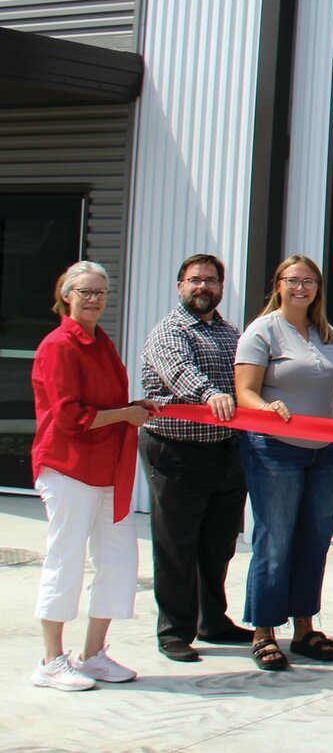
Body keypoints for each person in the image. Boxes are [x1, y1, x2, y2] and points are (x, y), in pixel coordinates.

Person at [30, 260, 157, 691]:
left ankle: (94, 654)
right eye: (85, 291)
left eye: (101, 291)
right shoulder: (59, 345)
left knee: (118, 561)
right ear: (66, 294)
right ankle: (50, 660)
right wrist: (126, 414)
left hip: (107, 469)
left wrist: (130, 410)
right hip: (68, 468)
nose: (94, 299)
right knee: (65, 559)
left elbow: (108, 407)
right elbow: (70, 417)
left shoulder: (100, 341)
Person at [234, 255, 333, 671]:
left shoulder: (327, 333)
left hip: (323, 454)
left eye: (310, 281)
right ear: (278, 285)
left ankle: (304, 627)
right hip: (275, 449)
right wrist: (266, 407)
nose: (302, 288)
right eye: (293, 280)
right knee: (275, 541)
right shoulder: (262, 331)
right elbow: (243, 391)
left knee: (315, 541)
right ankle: (264, 630)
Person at [139, 253, 250, 663]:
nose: (202, 287)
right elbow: (180, 373)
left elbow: (248, 376)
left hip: (226, 452)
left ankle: (213, 622)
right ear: (180, 286)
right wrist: (211, 395)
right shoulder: (169, 331)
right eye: (194, 280)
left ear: (221, 287)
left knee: (218, 544)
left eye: (210, 281)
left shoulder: (229, 332)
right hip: (177, 452)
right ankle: (174, 631)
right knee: (176, 545)